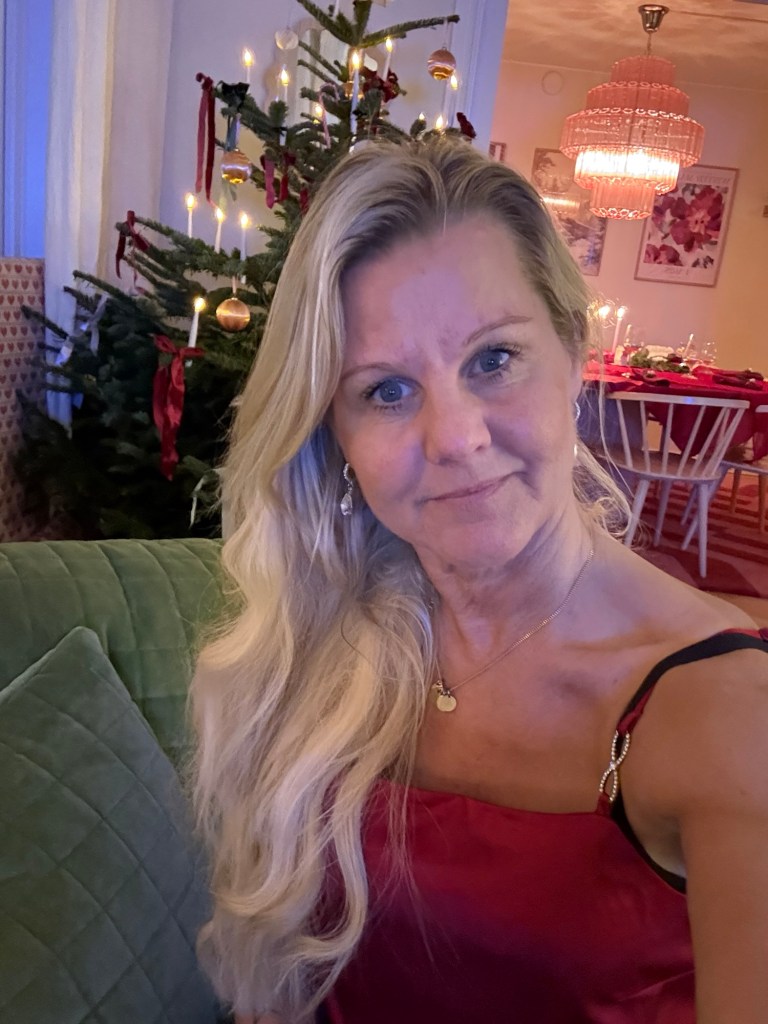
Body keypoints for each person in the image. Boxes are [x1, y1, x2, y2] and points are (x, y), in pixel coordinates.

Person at [190, 137, 768, 1024]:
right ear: (334, 432)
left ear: (572, 355)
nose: (455, 438)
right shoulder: (327, 636)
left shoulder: (727, 711)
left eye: (493, 360)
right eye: (385, 391)